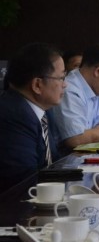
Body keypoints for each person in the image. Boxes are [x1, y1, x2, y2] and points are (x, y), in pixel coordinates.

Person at [0, 43, 66, 192]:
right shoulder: (14, 115)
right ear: (37, 85)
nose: (65, 84)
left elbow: (54, 160)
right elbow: (23, 181)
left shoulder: (44, 110)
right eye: (61, 78)